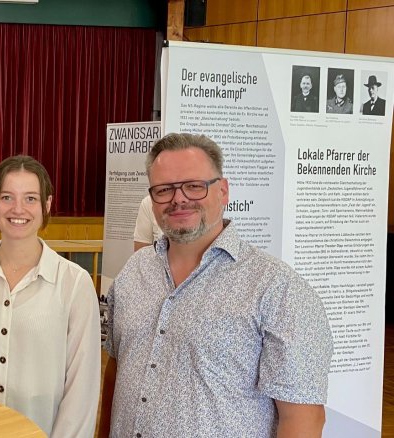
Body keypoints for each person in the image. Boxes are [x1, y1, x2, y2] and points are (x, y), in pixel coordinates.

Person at [100, 133, 332, 438]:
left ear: (223, 191)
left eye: (194, 186)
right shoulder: (134, 272)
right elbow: (117, 373)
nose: (178, 198)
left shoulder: (277, 287)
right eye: (164, 189)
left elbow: (303, 418)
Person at [0, 155, 100, 437]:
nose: (18, 209)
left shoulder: (74, 283)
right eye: (7, 197)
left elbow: (81, 387)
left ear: (47, 204)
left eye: (31, 198)